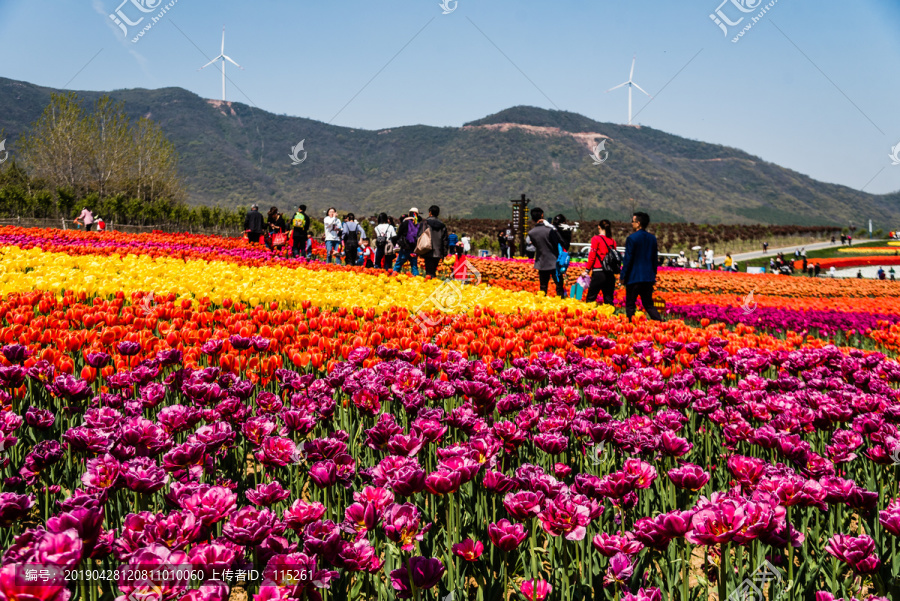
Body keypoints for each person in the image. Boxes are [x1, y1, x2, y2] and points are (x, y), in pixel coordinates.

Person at [620, 212, 663, 322]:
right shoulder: (652, 239)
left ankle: (631, 325)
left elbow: (628, 259)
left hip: (634, 277)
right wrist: (653, 275)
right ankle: (660, 323)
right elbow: (654, 259)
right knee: (648, 304)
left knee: (630, 305)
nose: (631, 223)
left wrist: (623, 275)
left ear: (638, 223)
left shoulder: (632, 238)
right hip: (648, 277)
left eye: (633, 221)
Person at [527, 207, 565, 297]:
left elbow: (536, 245)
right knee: (559, 286)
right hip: (554, 262)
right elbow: (557, 244)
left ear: (532, 219)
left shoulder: (531, 233)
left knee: (543, 287)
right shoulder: (550, 230)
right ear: (542, 215)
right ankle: (561, 304)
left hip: (542, 263)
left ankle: (542, 305)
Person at [583, 219, 617, 305]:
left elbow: (592, 256)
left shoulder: (596, 239)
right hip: (610, 274)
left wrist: (587, 270)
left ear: (599, 227)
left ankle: (589, 317)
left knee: (591, 298)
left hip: (599, 272)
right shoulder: (612, 241)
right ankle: (610, 317)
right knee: (608, 300)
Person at [419, 205, 449, 277]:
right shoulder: (442, 226)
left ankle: (430, 285)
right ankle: (433, 283)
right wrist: (444, 253)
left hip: (427, 250)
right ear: (438, 214)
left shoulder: (425, 223)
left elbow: (420, 236)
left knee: (429, 272)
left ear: (430, 213)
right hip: (438, 252)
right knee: (433, 271)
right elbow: (445, 240)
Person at [394, 209, 422, 276]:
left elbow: (399, 235)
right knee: (414, 266)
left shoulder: (405, 223)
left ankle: (393, 278)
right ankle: (417, 280)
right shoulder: (417, 224)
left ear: (409, 214)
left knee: (398, 265)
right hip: (414, 249)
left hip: (405, 248)